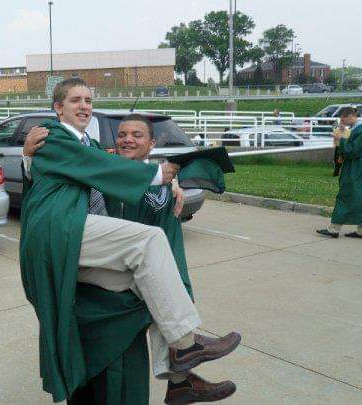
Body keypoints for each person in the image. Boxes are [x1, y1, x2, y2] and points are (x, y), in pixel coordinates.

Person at [19, 78, 239, 402]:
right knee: (149, 240)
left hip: (76, 245)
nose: (84, 106)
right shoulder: (52, 137)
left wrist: (168, 184)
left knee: (149, 286)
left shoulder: (90, 146)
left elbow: (112, 164)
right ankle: (185, 344)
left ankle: (179, 380)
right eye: (75, 100)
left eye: (88, 100)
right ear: (58, 108)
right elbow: (100, 166)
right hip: (58, 233)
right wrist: (158, 174)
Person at [317, 107, 362, 239]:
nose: (342, 122)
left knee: (346, 195)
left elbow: (351, 152)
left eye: (343, 120)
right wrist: (342, 133)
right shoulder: (358, 130)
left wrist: (340, 139)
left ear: (350, 116)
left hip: (359, 170)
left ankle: (334, 228)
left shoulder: (360, 132)